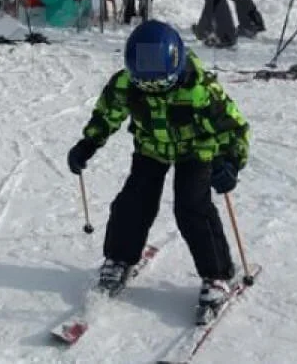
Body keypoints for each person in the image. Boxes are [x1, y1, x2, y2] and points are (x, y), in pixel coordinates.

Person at [67, 20, 250, 307]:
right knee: (133, 201)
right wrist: (88, 143)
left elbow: (234, 129)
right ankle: (119, 259)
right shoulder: (125, 84)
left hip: (197, 150)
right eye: (145, 84)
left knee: (191, 207)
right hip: (151, 148)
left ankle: (217, 274)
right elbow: (107, 114)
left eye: (162, 84)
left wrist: (231, 162)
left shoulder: (201, 88)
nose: (154, 90)